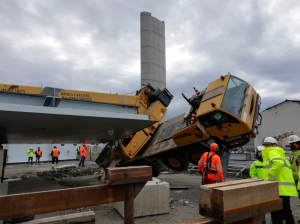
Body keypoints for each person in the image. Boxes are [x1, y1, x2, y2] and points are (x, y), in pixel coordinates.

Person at [262, 137, 298, 224]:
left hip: (277, 188)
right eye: (265, 145)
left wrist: (270, 177)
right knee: (286, 210)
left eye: (268, 145)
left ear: (274, 145)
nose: (266, 147)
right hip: (283, 188)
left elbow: (278, 164)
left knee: (276, 212)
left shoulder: (273, 152)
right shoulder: (280, 153)